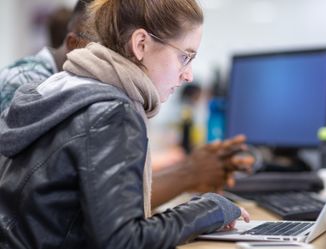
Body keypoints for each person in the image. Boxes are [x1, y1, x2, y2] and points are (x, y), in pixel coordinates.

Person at [0, 0, 251, 248]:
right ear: (141, 44)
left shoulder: (65, 89)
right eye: (185, 57)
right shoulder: (112, 111)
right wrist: (212, 208)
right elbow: (123, 241)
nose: (188, 75)